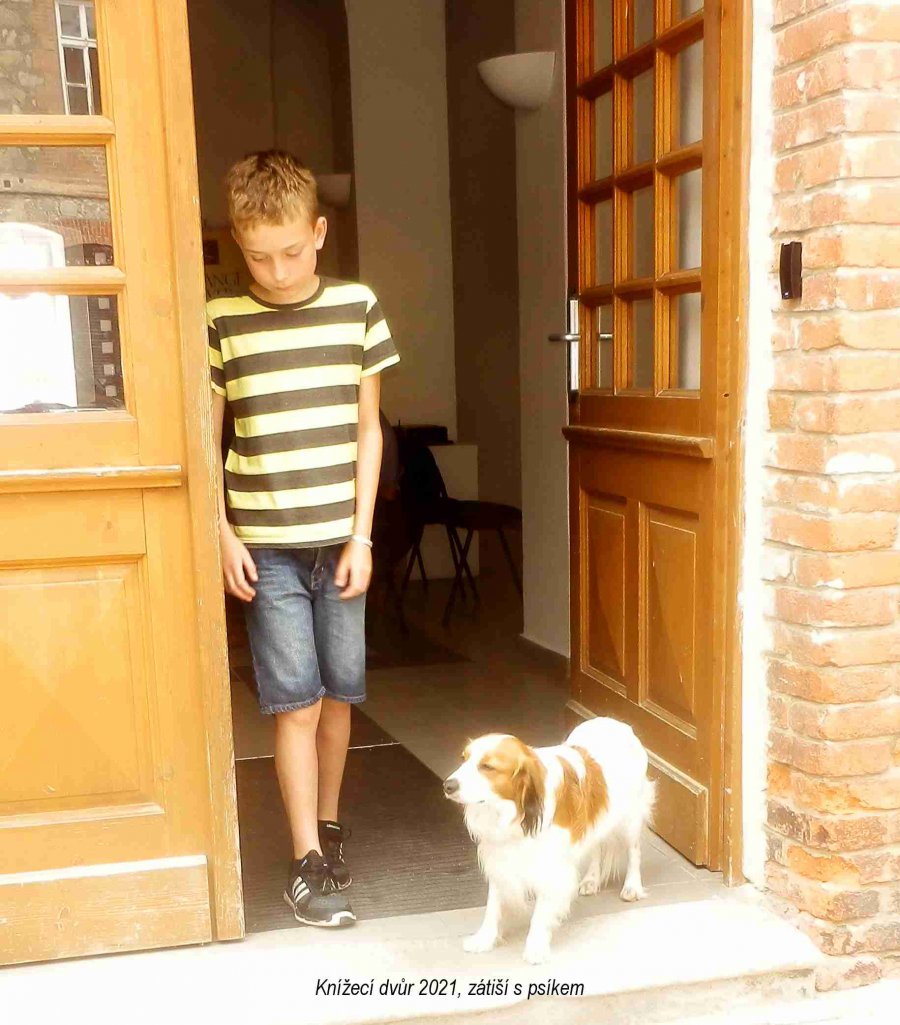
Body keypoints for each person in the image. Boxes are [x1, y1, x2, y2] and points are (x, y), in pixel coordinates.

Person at [207, 150, 399, 927]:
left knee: (339, 696)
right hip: (268, 548)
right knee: (296, 703)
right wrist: (220, 532)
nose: (278, 271)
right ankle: (305, 863)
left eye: (291, 251)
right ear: (238, 242)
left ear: (318, 232)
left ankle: (329, 823)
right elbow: (206, 440)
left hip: (340, 545)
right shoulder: (222, 320)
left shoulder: (358, 307)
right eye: (259, 256)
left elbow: (368, 430)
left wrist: (364, 537)